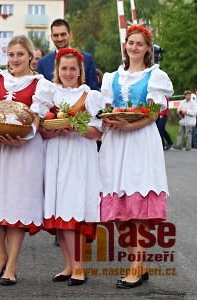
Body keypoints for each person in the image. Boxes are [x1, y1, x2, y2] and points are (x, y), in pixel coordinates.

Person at [0, 35, 55, 286]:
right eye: (11, 54)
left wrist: (24, 137)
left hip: (23, 150)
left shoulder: (41, 84)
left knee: (16, 204)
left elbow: (37, 120)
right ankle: (0, 257)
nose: (15, 59)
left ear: (30, 55)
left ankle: (13, 263)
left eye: (20, 54)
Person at [100, 25, 173, 288]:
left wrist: (128, 125)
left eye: (139, 44)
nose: (134, 47)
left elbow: (153, 113)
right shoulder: (112, 77)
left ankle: (134, 267)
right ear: (125, 45)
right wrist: (110, 120)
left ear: (147, 48)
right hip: (116, 144)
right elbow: (106, 108)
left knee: (139, 203)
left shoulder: (156, 76)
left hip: (141, 141)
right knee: (120, 209)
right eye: (130, 42)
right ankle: (138, 266)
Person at [41, 48, 103, 286]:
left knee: (74, 208)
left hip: (79, 156)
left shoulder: (90, 95)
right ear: (57, 70)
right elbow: (43, 133)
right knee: (59, 209)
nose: (68, 73)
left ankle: (79, 268)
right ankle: (68, 265)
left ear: (80, 72)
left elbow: (97, 132)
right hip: (55, 154)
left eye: (73, 69)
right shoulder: (49, 93)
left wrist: (76, 126)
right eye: (64, 69)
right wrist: (55, 129)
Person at [37, 18, 99, 91]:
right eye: (56, 35)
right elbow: (41, 92)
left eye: (63, 34)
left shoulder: (87, 59)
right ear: (51, 37)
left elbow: (94, 90)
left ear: (70, 35)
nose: (60, 39)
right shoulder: (43, 63)